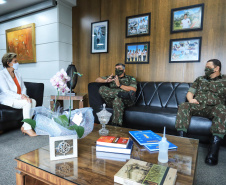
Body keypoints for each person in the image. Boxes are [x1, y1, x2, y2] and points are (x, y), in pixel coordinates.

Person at [175, 59, 226, 166]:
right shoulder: (200, 79)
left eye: (208, 67)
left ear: (216, 68)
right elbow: (190, 92)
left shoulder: (224, 80)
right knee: (183, 105)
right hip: (198, 105)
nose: (205, 69)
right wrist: (190, 100)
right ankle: (182, 143)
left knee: (222, 109)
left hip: (215, 108)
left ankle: (213, 152)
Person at [0, 53, 37, 136]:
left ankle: (24, 126)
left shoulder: (18, 74)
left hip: (19, 97)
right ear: (8, 63)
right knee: (27, 103)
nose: (17, 63)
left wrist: (24, 96)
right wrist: (21, 97)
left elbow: (24, 88)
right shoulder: (1, 74)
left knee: (33, 101)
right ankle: (28, 128)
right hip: (7, 98)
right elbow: (6, 91)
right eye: (15, 61)